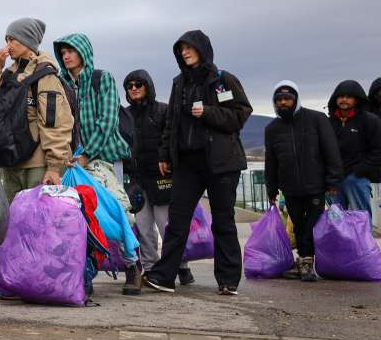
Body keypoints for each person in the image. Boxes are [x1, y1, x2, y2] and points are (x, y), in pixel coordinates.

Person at [143, 30, 252, 296]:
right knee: (176, 221)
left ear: (203, 49)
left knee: (223, 221)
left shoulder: (222, 80)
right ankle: (164, 277)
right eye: (181, 49)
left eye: (189, 48)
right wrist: (165, 156)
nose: (185, 52)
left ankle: (228, 280)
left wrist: (208, 112)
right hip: (187, 164)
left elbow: (239, 115)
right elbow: (171, 122)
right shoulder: (179, 83)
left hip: (222, 163)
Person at [53, 33, 141, 295]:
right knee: (77, 214)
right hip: (72, 162)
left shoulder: (102, 79)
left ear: (83, 52)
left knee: (118, 209)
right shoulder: (62, 85)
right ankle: (84, 269)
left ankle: (133, 266)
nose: (66, 56)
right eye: (63, 52)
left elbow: (108, 121)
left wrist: (87, 154)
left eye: (72, 51)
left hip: (102, 157)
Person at [0, 18, 73, 202]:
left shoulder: (44, 75)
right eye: (6, 39)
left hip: (37, 166)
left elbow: (55, 122)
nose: (8, 45)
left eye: (12, 39)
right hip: (9, 162)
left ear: (27, 40)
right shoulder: (8, 74)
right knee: (15, 223)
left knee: (38, 222)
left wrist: (54, 167)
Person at [264, 81, 342, 282]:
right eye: (279, 99)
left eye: (288, 99)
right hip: (289, 188)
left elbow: (331, 151)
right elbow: (271, 162)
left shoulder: (316, 119)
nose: (283, 103)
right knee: (298, 225)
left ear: (296, 99)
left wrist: (333, 181)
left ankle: (307, 262)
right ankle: (304, 262)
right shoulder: (272, 128)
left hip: (315, 185)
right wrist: (271, 188)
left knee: (312, 225)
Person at [123, 70, 193, 285]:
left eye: (138, 84)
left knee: (167, 226)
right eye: (130, 85)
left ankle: (181, 265)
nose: (134, 88)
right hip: (136, 179)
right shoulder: (123, 115)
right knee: (143, 228)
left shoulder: (163, 111)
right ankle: (152, 269)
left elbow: (171, 140)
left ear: (148, 86)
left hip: (162, 178)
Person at [327, 80, 381, 235]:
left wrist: (360, 170)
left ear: (357, 99)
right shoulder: (328, 122)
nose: (344, 100)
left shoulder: (370, 121)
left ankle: (365, 254)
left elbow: (377, 150)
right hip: (333, 181)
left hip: (357, 178)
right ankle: (341, 255)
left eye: (348, 97)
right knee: (336, 222)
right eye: (341, 96)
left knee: (360, 219)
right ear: (335, 99)